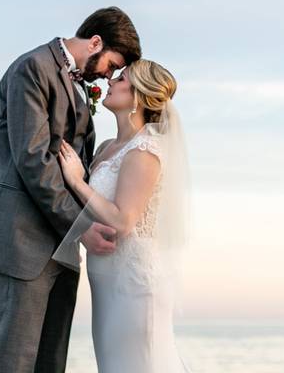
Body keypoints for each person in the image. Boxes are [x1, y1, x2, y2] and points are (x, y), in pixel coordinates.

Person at [0, 6, 142, 373]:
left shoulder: (74, 83)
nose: (109, 76)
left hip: (62, 250)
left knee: (50, 365)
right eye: (111, 64)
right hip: (20, 244)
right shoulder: (32, 69)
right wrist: (83, 228)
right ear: (95, 42)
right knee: (13, 364)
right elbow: (34, 161)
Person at [55, 59, 192, 372]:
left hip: (133, 286)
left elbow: (123, 221)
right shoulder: (106, 147)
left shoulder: (145, 150)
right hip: (104, 281)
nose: (111, 81)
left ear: (139, 96)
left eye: (122, 78)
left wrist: (77, 180)